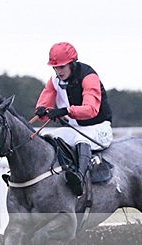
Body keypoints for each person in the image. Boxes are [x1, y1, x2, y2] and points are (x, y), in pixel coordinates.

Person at [34, 42, 113, 197]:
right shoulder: (54, 80)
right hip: (75, 128)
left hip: (99, 128)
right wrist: (43, 111)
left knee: (79, 139)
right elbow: (42, 110)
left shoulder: (89, 77)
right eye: (55, 67)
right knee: (47, 138)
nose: (58, 71)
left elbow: (91, 110)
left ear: (72, 63)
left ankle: (80, 179)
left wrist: (65, 111)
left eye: (62, 67)